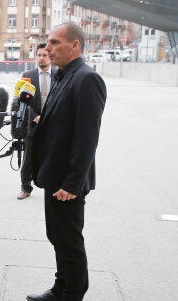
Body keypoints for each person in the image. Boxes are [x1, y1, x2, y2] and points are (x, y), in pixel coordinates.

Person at [27, 22, 107, 301]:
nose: (47, 48)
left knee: (70, 241)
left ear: (75, 46)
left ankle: (73, 294)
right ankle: (60, 289)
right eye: (47, 43)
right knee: (57, 236)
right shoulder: (64, 76)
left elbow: (87, 137)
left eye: (54, 43)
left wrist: (73, 183)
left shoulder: (87, 79)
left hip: (68, 182)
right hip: (54, 175)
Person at [18, 43, 57, 200]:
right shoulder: (28, 76)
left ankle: (53, 187)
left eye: (44, 55)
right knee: (29, 158)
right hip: (33, 124)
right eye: (39, 55)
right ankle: (25, 188)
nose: (41, 58)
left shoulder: (59, 74)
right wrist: (35, 116)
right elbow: (22, 102)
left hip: (53, 124)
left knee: (54, 157)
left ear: (50, 56)